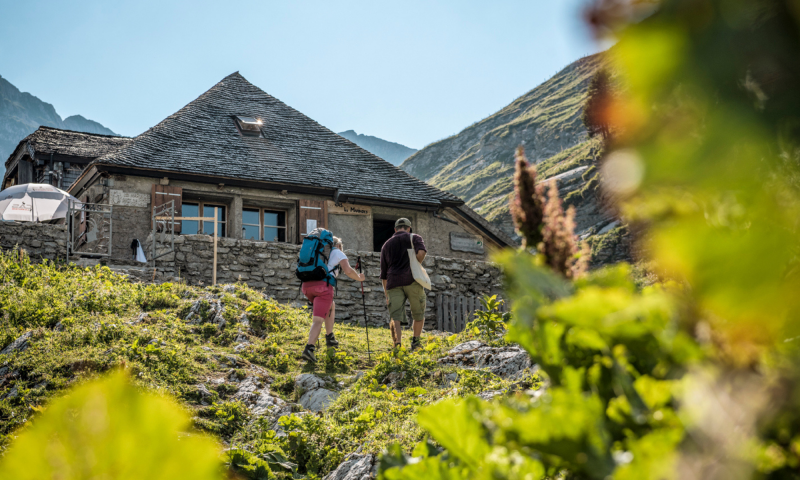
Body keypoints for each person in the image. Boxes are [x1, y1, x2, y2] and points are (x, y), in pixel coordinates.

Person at [301, 236, 365, 363]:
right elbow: (348, 270)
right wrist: (359, 278)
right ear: (338, 245)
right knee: (318, 320)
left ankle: (330, 336)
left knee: (330, 305)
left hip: (307, 286)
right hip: (323, 288)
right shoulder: (337, 252)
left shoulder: (315, 251)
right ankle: (309, 348)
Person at [380, 218, 427, 352]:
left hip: (393, 282)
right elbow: (421, 253)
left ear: (395, 229)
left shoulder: (386, 245)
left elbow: (383, 274)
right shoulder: (414, 238)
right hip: (412, 280)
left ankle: (398, 345)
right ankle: (416, 343)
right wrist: (416, 264)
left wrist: (386, 294)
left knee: (396, 316)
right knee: (418, 312)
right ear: (409, 228)